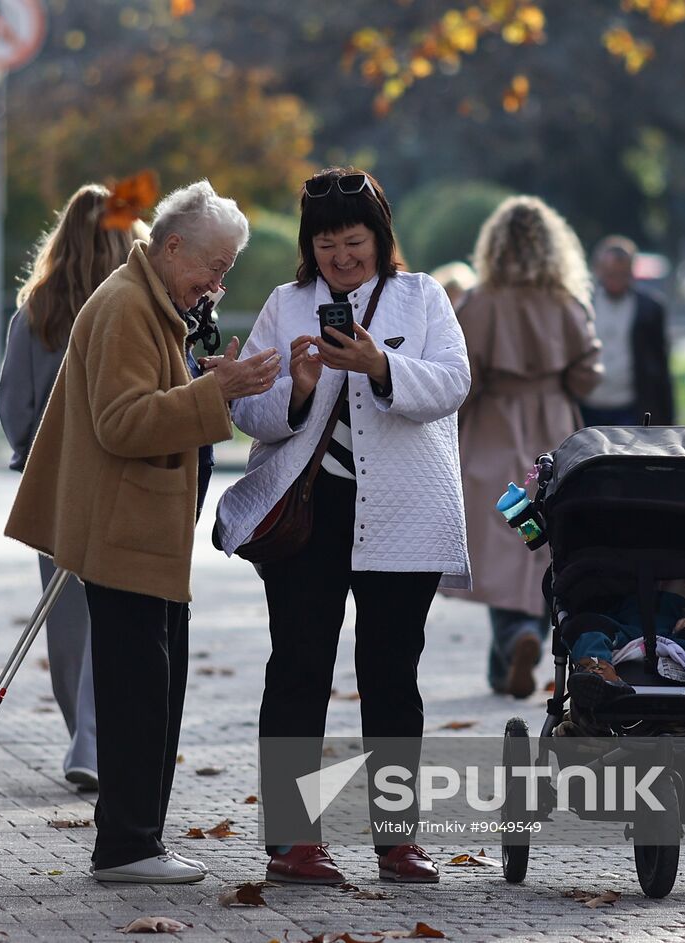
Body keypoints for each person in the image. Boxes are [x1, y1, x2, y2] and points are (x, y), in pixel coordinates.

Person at [4, 180, 279, 884]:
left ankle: (137, 839)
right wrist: (219, 391)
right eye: (213, 268)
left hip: (140, 531)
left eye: (227, 273)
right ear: (173, 246)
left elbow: (147, 402)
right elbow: (124, 421)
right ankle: (127, 845)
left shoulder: (149, 301)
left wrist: (207, 380)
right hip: (124, 532)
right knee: (138, 693)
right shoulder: (128, 306)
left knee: (153, 688)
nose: (217, 283)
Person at [215, 168, 472, 886]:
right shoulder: (285, 303)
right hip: (310, 516)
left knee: (392, 676)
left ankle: (399, 840)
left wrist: (380, 365)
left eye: (353, 241)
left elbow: (453, 383)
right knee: (298, 670)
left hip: (404, 516)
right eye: (326, 244)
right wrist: (294, 390)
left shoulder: (423, 298)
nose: (340, 257)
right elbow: (252, 415)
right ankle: (293, 842)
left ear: (381, 237)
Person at [0, 184, 148, 792]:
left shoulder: (37, 311)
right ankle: (92, 736)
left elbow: (15, 404)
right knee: (113, 609)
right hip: (125, 475)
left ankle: (82, 735)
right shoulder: (137, 304)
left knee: (66, 619)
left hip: (55, 476)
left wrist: (27, 448)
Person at [446, 195, 602, 699]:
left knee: (507, 541)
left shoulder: (480, 301)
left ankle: (517, 637)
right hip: (555, 428)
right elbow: (587, 376)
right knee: (548, 542)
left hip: (495, 430)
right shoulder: (567, 302)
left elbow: (462, 378)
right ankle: (530, 636)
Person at [567, 578, 685, 709]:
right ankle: (597, 671)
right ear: (660, 580)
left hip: (681, 641)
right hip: (624, 637)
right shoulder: (627, 601)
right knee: (590, 626)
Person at [579, 235, 674, 427]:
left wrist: (666, 418)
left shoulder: (650, 308)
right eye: (610, 274)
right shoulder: (581, 305)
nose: (616, 281)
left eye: (621, 274)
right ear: (598, 270)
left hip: (631, 408)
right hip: (587, 406)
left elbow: (660, 367)